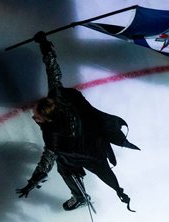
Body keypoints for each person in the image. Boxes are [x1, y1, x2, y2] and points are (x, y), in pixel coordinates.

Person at [16, 31, 139, 211]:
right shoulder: (57, 97)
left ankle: (80, 196)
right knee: (64, 159)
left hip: (82, 148)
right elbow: (53, 71)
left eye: (37, 117)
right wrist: (44, 45)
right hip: (88, 131)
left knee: (64, 167)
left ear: (48, 119)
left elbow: (47, 161)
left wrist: (33, 181)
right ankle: (78, 187)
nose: (33, 116)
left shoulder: (54, 136)